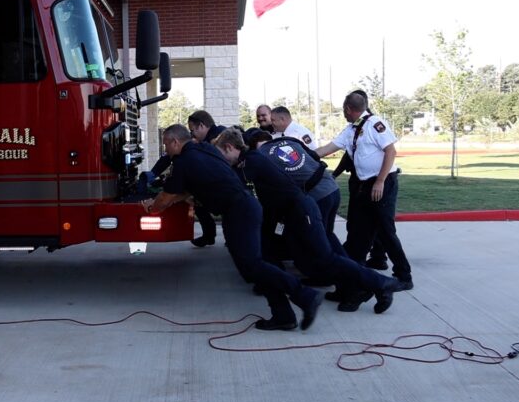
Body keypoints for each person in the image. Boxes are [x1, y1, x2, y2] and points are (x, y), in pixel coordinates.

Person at [142, 125, 322, 330]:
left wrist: (152, 206)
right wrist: (176, 199)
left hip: (239, 211)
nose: (165, 149)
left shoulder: (183, 162)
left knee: (253, 265)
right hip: (244, 207)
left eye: (166, 144)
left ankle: (305, 296)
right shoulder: (205, 150)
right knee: (252, 266)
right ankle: (283, 315)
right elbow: (190, 189)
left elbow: (165, 198)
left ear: (175, 142)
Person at [213, 129, 401, 313]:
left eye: (221, 154)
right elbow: (313, 157)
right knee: (328, 247)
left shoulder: (253, 159)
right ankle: (358, 287)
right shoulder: (287, 142)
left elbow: (231, 185)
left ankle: (375, 284)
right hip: (328, 190)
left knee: (324, 255)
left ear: (230, 147)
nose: (222, 160)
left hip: (310, 200)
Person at [315, 91, 414, 294]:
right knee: (358, 231)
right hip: (362, 186)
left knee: (386, 231)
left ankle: (404, 276)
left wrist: (380, 181)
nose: (343, 113)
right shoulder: (351, 130)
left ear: (348, 109)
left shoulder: (375, 124)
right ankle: (354, 278)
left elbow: (391, 151)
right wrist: (301, 156)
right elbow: (327, 149)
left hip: (381, 185)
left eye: (344, 110)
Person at [185, 110, 225, 247]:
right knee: (198, 201)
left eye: (192, 130)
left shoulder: (220, 135)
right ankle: (209, 235)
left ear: (202, 126)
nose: (192, 135)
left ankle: (230, 237)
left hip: (227, 184)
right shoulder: (206, 139)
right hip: (216, 181)